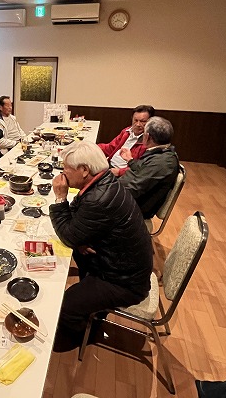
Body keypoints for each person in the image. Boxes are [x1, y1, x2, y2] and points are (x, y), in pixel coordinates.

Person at [49, 141, 153, 351]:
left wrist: (60, 198)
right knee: (78, 252)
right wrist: (79, 239)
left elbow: (68, 235)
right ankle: (91, 307)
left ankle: (78, 336)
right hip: (119, 264)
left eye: (66, 168)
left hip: (126, 282)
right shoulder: (104, 181)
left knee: (66, 305)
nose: (62, 173)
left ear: (84, 170)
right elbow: (77, 218)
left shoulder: (98, 198)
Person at [118, 116, 180, 218]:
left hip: (132, 210)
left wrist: (106, 191)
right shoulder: (161, 153)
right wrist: (130, 160)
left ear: (147, 136)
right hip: (128, 198)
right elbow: (143, 169)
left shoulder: (163, 162)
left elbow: (133, 189)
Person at [98, 104, 155, 176]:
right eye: (135, 120)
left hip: (121, 174)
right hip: (109, 165)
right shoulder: (126, 131)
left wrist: (119, 172)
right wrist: (93, 146)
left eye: (142, 121)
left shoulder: (149, 141)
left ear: (150, 122)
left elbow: (141, 168)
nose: (138, 124)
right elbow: (111, 147)